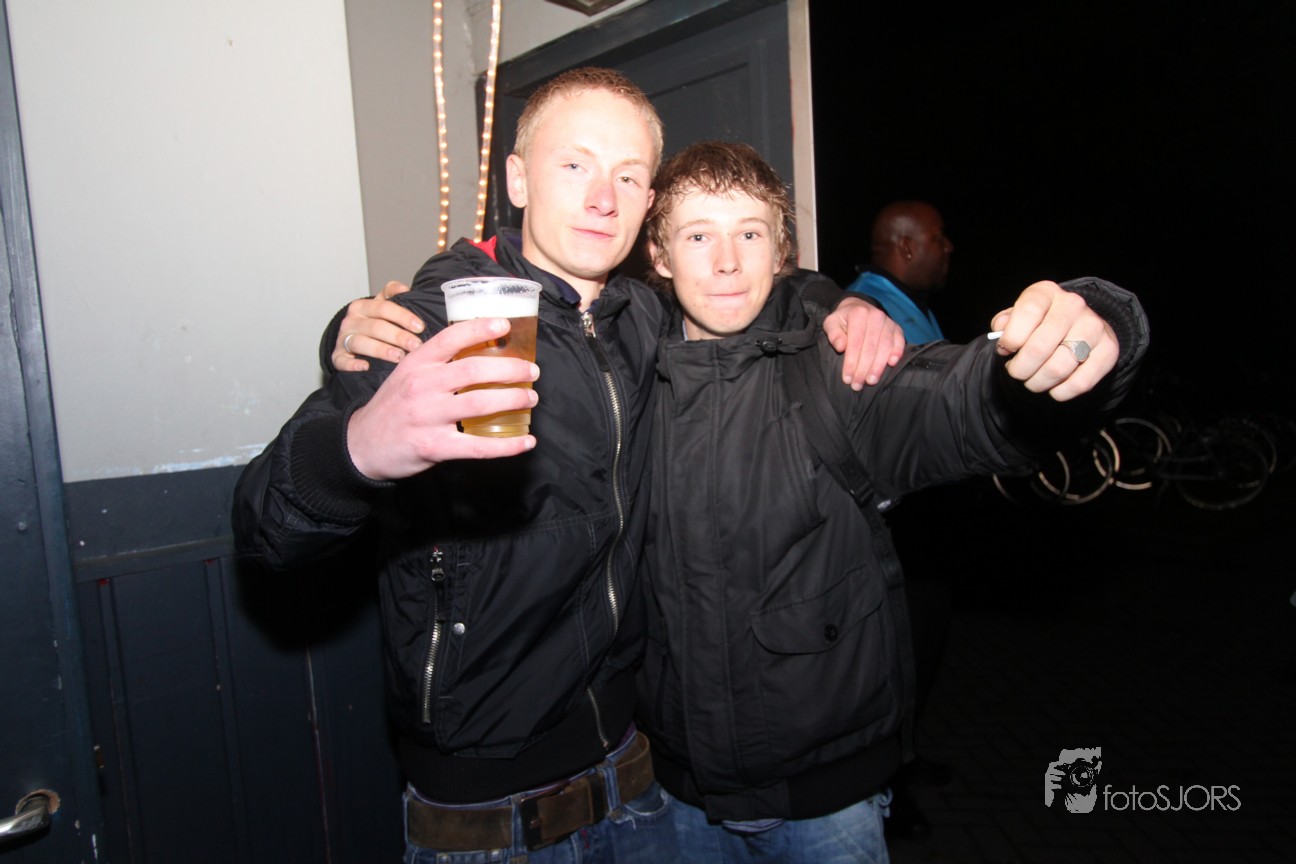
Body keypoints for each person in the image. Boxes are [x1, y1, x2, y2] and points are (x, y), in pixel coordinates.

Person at [233, 68, 902, 864]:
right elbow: (265, 528)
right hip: (489, 823)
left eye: (629, 176)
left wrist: (845, 304)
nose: (602, 198)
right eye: (575, 164)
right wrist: (357, 452)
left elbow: (753, 281)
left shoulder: (645, 318)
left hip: (639, 788)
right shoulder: (430, 329)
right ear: (518, 180)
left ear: (649, 206)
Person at [634, 141, 1147, 863]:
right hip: (672, 796)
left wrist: (1093, 329)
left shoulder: (838, 369)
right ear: (659, 255)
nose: (726, 262)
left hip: (826, 807)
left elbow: (961, 403)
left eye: (749, 233)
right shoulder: (629, 377)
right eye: (697, 236)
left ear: (781, 251)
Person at [845, 200, 953, 344]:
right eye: (938, 238)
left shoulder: (909, 301)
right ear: (907, 248)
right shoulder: (863, 306)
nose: (949, 246)